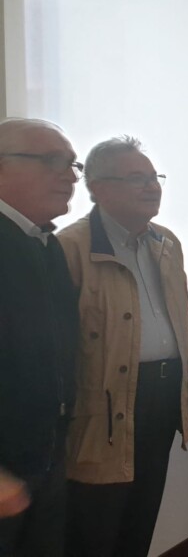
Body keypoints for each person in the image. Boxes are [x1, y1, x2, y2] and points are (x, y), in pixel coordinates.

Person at [58, 136, 188, 557]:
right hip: (104, 410)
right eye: (137, 178)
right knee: (96, 532)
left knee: (141, 520)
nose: (152, 187)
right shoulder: (70, 248)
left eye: (154, 177)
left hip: (162, 397)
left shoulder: (167, 243)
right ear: (98, 187)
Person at [0, 118, 79, 556]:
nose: (69, 176)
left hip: (45, 452)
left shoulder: (45, 243)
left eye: (71, 164)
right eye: (51, 161)